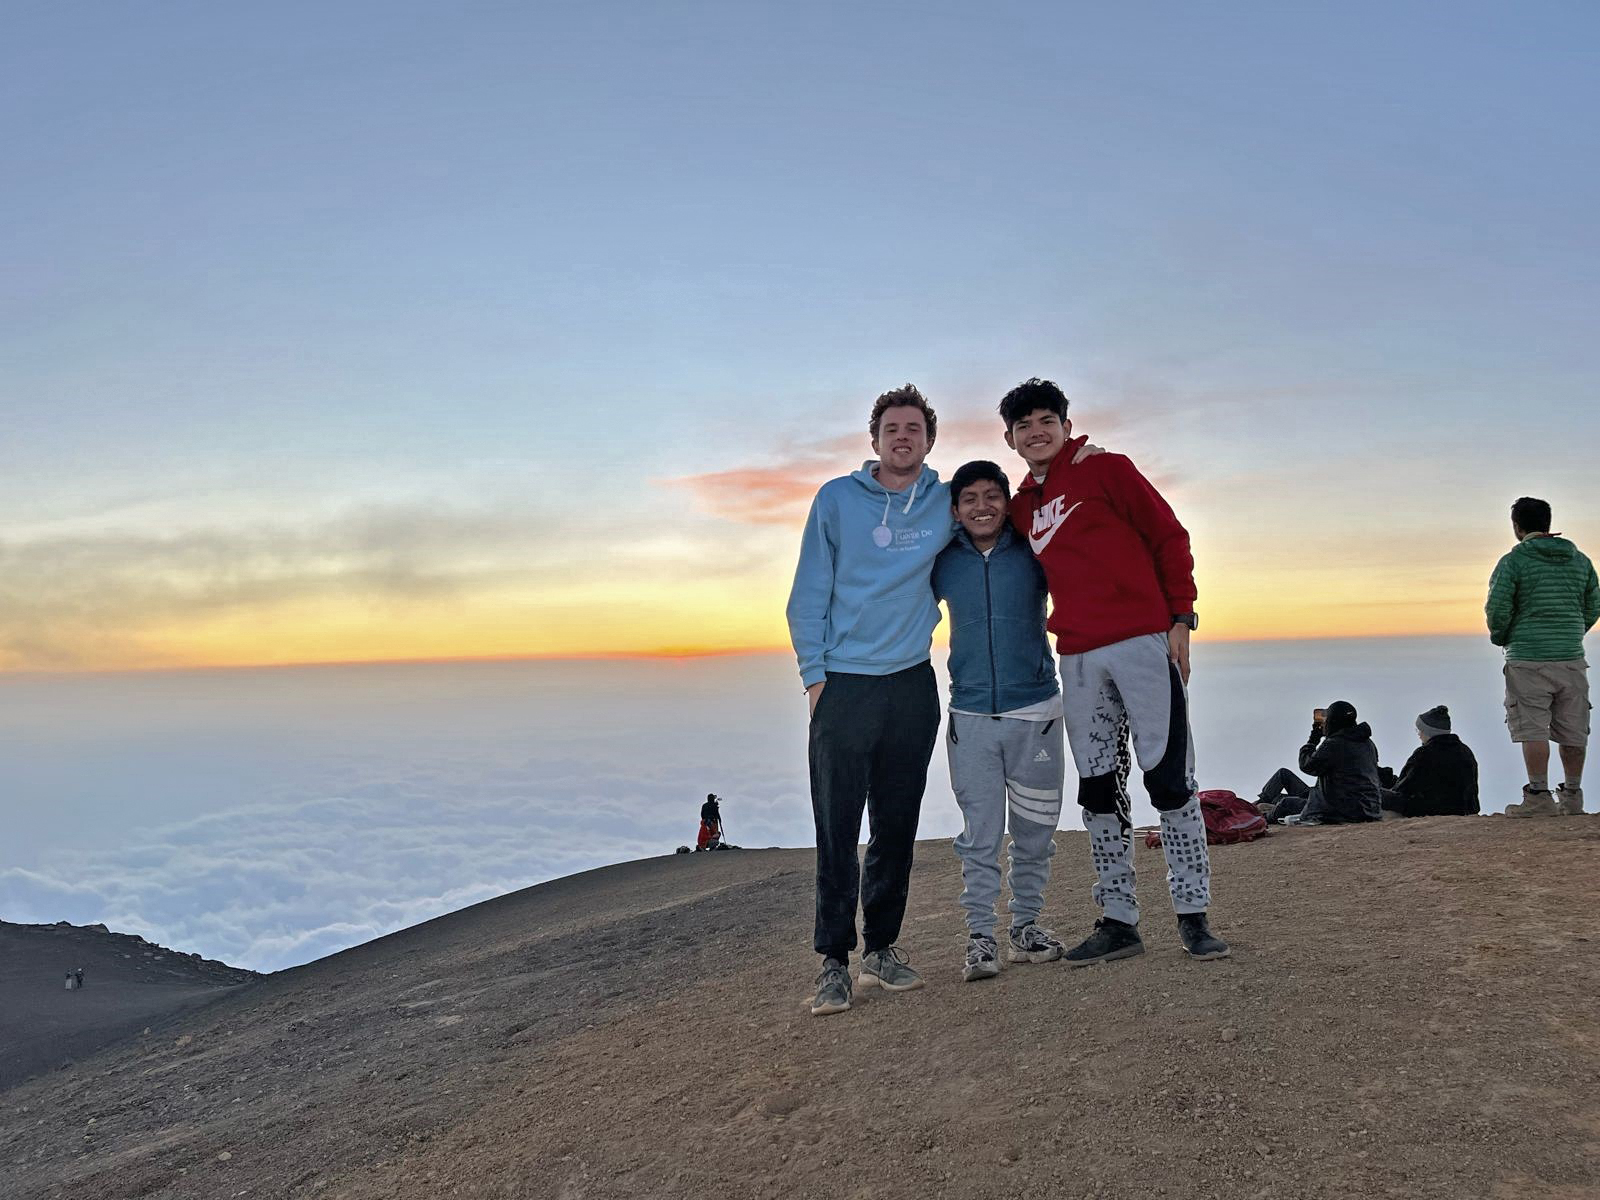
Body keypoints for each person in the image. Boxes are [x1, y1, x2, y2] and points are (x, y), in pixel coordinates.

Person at [1002, 377, 1229, 965]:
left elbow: (1168, 535)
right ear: (1012, 439)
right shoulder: (1022, 505)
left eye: (1045, 419)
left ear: (1065, 423)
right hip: (1076, 654)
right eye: (1024, 426)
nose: (1036, 431)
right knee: (1099, 787)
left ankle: (1193, 914)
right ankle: (1119, 919)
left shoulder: (1110, 470)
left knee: (1171, 778)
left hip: (1143, 641)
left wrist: (1182, 616)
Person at [931, 460, 1066, 982]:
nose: (981, 506)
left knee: (1035, 831)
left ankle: (1026, 926)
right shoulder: (942, 561)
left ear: (1007, 502)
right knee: (980, 835)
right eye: (970, 499)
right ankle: (981, 937)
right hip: (971, 715)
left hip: (1036, 711)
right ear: (955, 509)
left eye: (992, 496)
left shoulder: (1035, 551)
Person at [1486, 497, 1600, 816]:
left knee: (1533, 727)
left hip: (1528, 656)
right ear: (1548, 523)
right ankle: (1573, 797)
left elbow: (1497, 607)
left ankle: (1538, 796)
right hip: (1571, 657)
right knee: (1573, 727)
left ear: (1517, 526)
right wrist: (1573, 632)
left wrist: (1503, 636)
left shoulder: (1514, 561)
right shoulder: (1580, 561)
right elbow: (1593, 605)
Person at [1266, 701, 1382, 825]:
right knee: (1283, 789)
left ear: (1333, 721)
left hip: (1339, 809)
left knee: (1285, 803)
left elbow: (1307, 765)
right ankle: (1262, 805)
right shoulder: (1369, 744)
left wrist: (1312, 741)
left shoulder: (1334, 744)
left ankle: (1260, 817)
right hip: (1369, 808)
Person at [1380, 706, 1480, 818]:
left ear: (1429, 732)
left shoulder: (1424, 754)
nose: (1419, 734)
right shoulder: (1465, 751)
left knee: (1376, 795)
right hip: (1464, 809)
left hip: (1431, 810)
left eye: (1420, 730)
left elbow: (1404, 787)